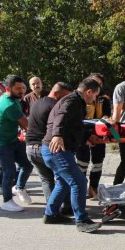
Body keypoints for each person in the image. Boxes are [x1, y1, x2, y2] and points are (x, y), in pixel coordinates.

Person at [41, 77, 103, 233]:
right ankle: (81, 220)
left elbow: (74, 125)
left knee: (63, 182)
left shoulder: (75, 101)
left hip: (53, 149)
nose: (94, 99)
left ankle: (50, 215)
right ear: (89, 92)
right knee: (79, 182)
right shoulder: (73, 100)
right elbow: (62, 115)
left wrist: (87, 137)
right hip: (57, 149)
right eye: (95, 95)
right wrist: (57, 135)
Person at [0, 74, 33, 212]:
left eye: (23, 88)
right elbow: (27, 126)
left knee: (27, 164)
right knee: (9, 171)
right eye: (18, 88)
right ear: (8, 88)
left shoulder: (11, 99)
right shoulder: (9, 104)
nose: (22, 91)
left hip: (11, 140)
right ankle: (6, 201)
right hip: (0, 143)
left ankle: (18, 187)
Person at [26, 82, 73, 213]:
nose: (66, 101)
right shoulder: (55, 106)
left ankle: (52, 210)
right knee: (63, 178)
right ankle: (66, 207)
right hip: (45, 147)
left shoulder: (37, 103)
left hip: (30, 148)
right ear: (57, 94)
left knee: (46, 180)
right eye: (65, 97)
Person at [76, 73, 111, 199]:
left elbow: (107, 114)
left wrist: (105, 120)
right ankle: (80, 189)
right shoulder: (80, 99)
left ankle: (93, 188)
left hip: (99, 134)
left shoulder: (104, 99)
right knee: (82, 162)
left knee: (98, 163)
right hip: (83, 134)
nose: (97, 86)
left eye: (99, 84)